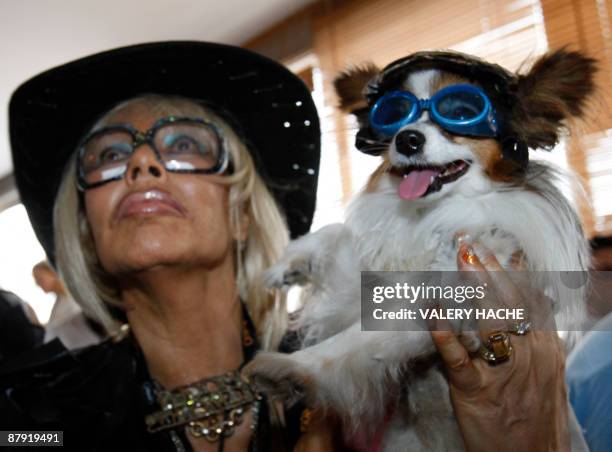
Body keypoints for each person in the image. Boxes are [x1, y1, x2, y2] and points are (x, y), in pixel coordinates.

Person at [0, 40, 580, 452]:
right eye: (108, 155)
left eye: (184, 144)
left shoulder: (371, 340)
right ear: (84, 229)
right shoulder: (28, 411)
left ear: (246, 214)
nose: (143, 163)